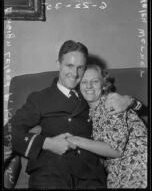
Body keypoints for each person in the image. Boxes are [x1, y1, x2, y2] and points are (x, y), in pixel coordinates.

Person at [5, 40, 141, 189]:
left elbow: (133, 107)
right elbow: (8, 132)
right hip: (50, 172)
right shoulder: (40, 98)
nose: (75, 73)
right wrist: (47, 143)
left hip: (90, 176)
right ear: (58, 64)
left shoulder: (90, 94)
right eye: (69, 66)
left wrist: (128, 100)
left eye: (80, 67)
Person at [67, 64, 147, 188]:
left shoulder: (112, 102)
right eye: (84, 82)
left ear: (104, 85)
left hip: (139, 166)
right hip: (118, 172)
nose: (89, 86)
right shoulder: (87, 112)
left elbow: (115, 151)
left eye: (94, 81)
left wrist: (76, 140)